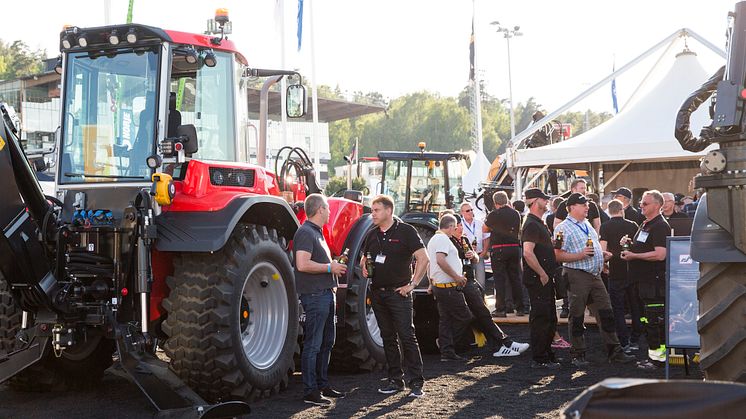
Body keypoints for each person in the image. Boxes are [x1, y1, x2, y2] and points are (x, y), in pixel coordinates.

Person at [554, 193, 635, 367]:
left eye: (587, 205)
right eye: (584, 205)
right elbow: (557, 254)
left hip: (594, 274)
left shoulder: (587, 224)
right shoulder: (562, 227)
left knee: (606, 312)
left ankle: (615, 351)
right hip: (577, 274)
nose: (587, 208)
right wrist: (581, 255)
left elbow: (593, 246)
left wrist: (602, 256)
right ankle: (578, 353)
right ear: (572, 207)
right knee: (576, 315)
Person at [361, 195, 429, 398]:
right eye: (372, 210)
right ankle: (395, 381)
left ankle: (416, 383)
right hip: (377, 293)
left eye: (376, 210)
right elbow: (365, 259)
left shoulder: (406, 231)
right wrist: (364, 268)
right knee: (387, 338)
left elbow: (423, 259)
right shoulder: (372, 235)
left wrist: (412, 285)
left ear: (389, 211)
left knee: (407, 336)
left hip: (399, 294)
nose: (372, 214)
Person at [293, 194, 347, 406]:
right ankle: (310, 391)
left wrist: (331, 264)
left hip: (324, 293)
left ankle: (322, 385)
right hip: (315, 296)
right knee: (314, 344)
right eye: (328, 208)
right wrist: (329, 267)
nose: (330, 212)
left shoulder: (316, 233)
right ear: (320, 210)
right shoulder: (306, 233)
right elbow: (302, 264)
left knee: (326, 342)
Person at [451, 216, 528, 357]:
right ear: (451, 227)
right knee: (479, 314)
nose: (461, 228)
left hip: (468, 280)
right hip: (459, 282)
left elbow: (475, 257)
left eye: (461, 225)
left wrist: (473, 255)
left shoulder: (463, 240)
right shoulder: (447, 242)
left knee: (482, 314)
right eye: (459, 226)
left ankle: (502, 344)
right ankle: (502, 344)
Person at [621, 190, 671, 370]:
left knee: (654, 323)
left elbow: (660, 254)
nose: (641, 206)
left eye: (645, 203)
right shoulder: (646, 224)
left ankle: (658, 361)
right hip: (643, 283)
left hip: (654, 284)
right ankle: (654, 358)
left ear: (657, 205)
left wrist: (634, 255)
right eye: (641, 203)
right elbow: (644, 247)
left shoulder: (659, 226)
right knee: (648, 322)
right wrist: (628, 246)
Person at [521, 188, 562, 368]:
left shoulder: (538, 223)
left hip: (543, 277)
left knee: (550, 317)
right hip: (539, 278)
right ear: (534, 201)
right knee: (542, 317)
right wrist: (542, 273)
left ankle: (546, 354)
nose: (546, 202)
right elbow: (527, 253)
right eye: (543, 200)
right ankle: (540, 358)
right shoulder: (531, 224)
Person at [426, 214, 475, 362]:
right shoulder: (442, 239)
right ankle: (446, 343)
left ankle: (447, 351)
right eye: (455, 227)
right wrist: (457, 277)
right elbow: (440, 260)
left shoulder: (434, 239)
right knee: (465, 316)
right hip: (448, 287)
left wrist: (430, 282)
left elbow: (431, 263)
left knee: (446, 319)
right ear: (451, 227)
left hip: (440, 286)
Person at [599, 199, 642, 353]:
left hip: (615, 271)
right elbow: (638, 247)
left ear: (609, 211)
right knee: (635, 306)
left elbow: (604, 251)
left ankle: (623, 341)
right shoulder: (632, 225)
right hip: (632, 269)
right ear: (622, 210)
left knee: (617, 309)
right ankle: (636, 338)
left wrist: (604, 265)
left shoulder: (605, 226)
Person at [484, 191, 528, 317]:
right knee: (516, 278)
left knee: (499, 279)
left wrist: (494, 228)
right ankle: (520, 308)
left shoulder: (494, 214)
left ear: (495, 202)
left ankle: (501, 309)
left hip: (499, 248)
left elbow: (484, 229)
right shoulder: (515, 214)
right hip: (514, 248)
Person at [460, 202, 486, 290]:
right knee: (468, 282)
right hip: (465, 257)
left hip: (479, 254)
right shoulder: (460, 225)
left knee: (481, 281)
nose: (470, 212)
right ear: (462, 212)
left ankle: (482, 301)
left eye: (471, 210)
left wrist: (484, 252)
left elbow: (486, 238)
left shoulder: (480, 223)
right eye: (468, 210)